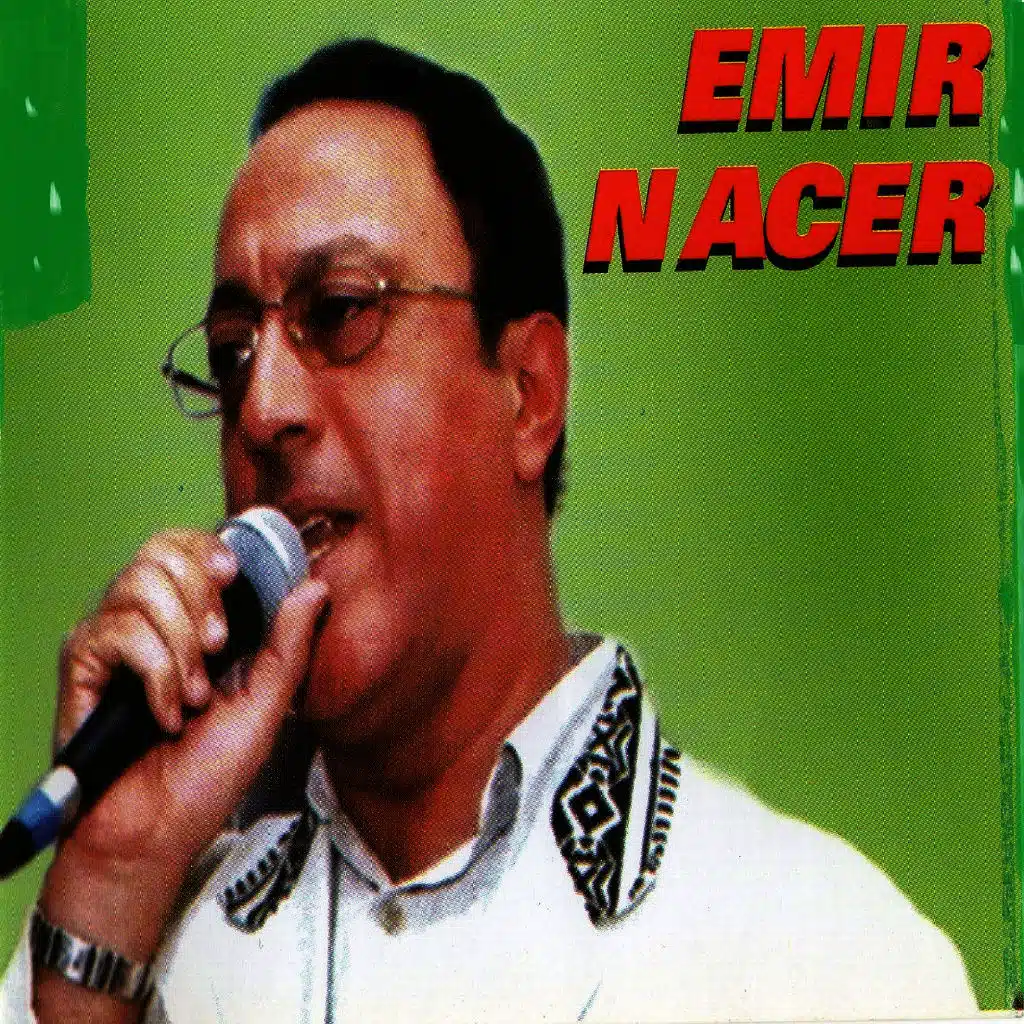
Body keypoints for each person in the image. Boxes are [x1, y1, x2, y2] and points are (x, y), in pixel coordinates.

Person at [0, 39, 978, 1023]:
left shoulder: (824, 953)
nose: (263, 407)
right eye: (231, 352)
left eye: (339, 312)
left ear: (528, 393)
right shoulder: (139, 937)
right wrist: (112, 884)